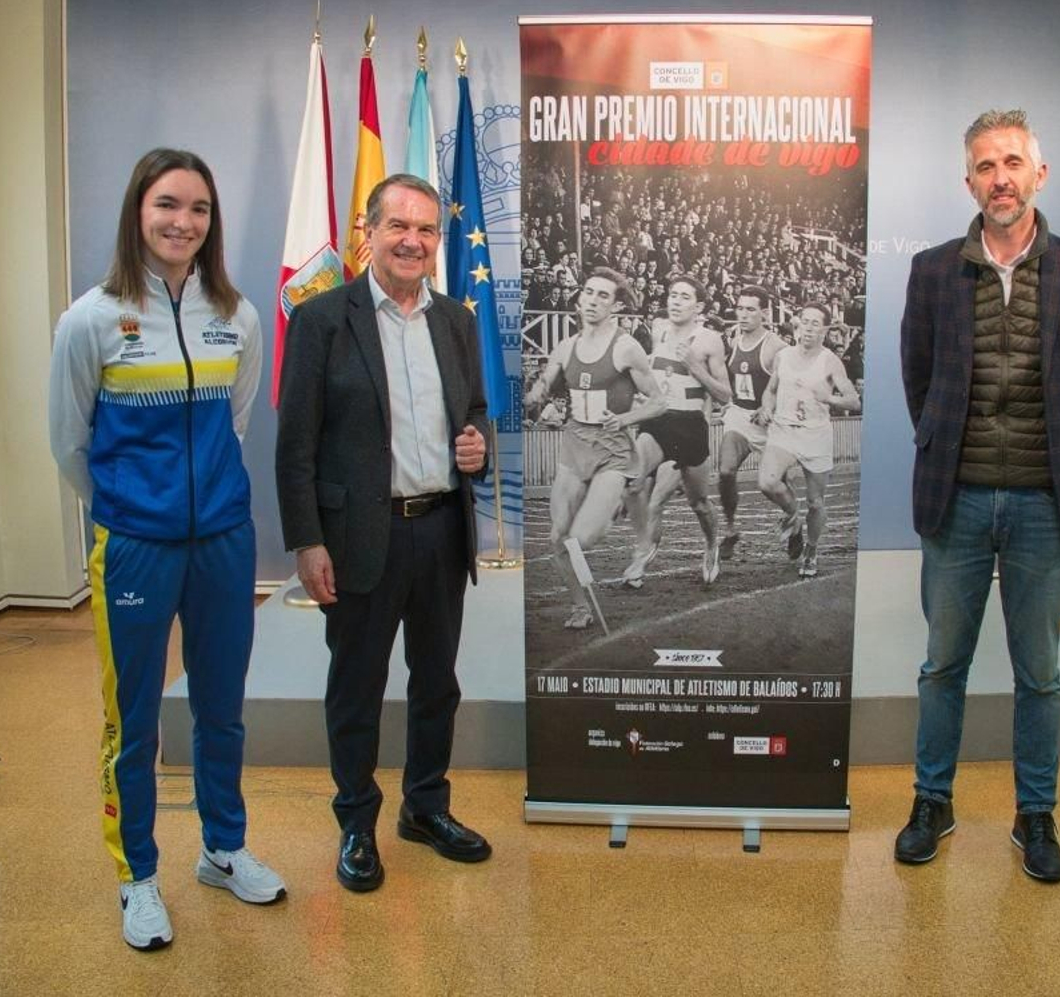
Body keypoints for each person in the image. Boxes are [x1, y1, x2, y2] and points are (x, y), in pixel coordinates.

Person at [48, 148, 283, 952]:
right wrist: (134, 511)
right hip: (137, 548)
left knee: (222, 709)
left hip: (223, 539)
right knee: (134, 721)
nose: (183, 222)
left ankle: (222, 847)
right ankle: (138, 875)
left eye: (200, 209)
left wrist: (200, 504)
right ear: (137, 211)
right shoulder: (90, 319)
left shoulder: (239, 315)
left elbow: (236, 421)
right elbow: (69, 445)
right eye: (167, 205)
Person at [894, 110, 1060, 883]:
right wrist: (949, 450)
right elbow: (919, 379)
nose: (1001, 178)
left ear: (1039, 174)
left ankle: (1036, 813)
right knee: (941, 665)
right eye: (986, 166)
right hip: (955, 503)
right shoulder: (931, 271)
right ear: (969, 182)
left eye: (1013, 162)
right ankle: (932, 802)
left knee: (1041, 672)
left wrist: (1056, 465)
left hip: (1043, 506)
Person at [274, 173, 492, 894]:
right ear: (368, 232)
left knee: (437, 685)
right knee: (356, 689)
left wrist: (478, 445)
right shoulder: (322, 321)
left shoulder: (456, 320)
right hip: (358, 540)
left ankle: (425, 808)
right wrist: (307, 540)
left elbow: (478, 412)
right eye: (398, 225)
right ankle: (357, 824)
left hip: (439, 533)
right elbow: (295, 444)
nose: (413, 240)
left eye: (427, 229)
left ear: (437, 241)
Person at [524, 269, 665, 629]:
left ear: (616, 305)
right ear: (579, 297)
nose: (592, 300)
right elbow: (542, 385)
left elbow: (659, 402)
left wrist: (626, 418)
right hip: (575, 446)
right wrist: (534, 394)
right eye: (588, 292)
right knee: (558, 537)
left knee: (583, 537)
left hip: (613, 451)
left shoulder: (626, 347)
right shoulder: (565, 346)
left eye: (603, 296)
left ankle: (616, 499)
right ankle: (580, 605)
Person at [620, 276, 731, 589]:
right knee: (634, 481)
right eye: (673, 295)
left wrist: (695, 366)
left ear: (698, 306)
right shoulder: (658, 329)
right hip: (658, 420)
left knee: (699, 503)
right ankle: (645, 548)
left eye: (684, 297)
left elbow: (725, 395)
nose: (676, 301)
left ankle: (711, 547)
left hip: (690, 427)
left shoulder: (709, 341)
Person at [755, 304, 860, 579]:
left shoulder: (830, 361)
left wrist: (830, 399)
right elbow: (770, 391)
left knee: (816, 502)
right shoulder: (783, 356)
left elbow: (854, 400)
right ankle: (792, 516)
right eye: (804, 322)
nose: (808, 329)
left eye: (815, 324)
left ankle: (811, 550)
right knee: (767, 481)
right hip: (784, 430)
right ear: (797, 325)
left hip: (815, 435)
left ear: (825, 330)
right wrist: (767, 407)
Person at [715, 286, 785, 559]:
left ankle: (794, 523)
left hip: (769, 422)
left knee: (774, 485)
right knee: (725, 471)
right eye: (740, 308)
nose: (742, 315)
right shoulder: (733, 339)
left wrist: (769, 407)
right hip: (740, 418)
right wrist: (726, 403)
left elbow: (788, 384)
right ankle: (731, 530)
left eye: (750, 309)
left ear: (764, 313)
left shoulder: (776, 347)